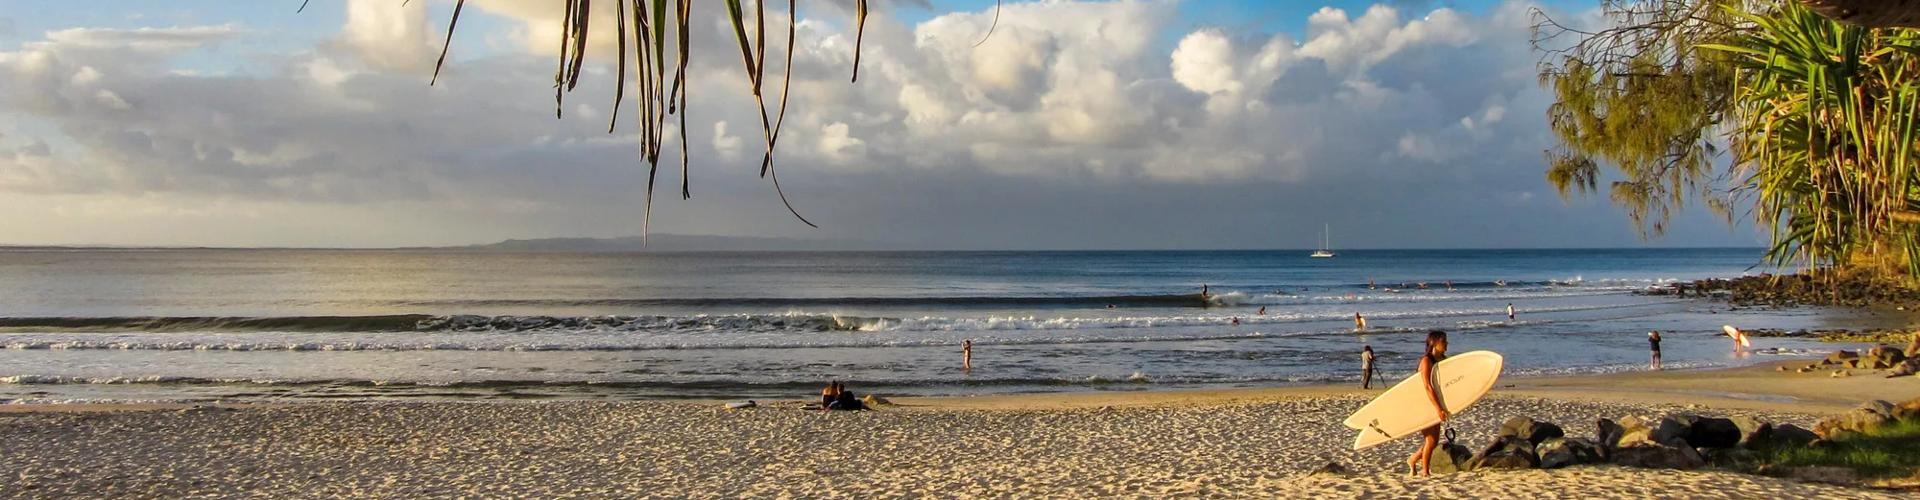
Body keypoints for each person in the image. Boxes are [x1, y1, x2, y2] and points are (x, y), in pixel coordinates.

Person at [1409, 330, 1450, 477]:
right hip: (1423, 402)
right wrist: (1438, 408)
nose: (1446, 344)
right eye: (1443, 341)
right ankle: (1425, 471)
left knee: (1434, 440)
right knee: (1430, 440)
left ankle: (1413, 460)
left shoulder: (1443, 360)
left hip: (1436, 401)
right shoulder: (1426, 360)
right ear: (1434, 343)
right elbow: (1427, 386)